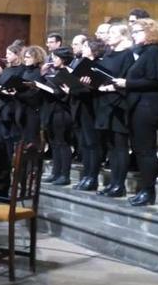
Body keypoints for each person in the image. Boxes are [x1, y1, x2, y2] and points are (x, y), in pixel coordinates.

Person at [107, 18, 158, 206]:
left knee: (146, 151)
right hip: (138, 106)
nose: (134, 35)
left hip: (147, 107)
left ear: (149, 32)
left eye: (137, 31)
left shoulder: (154, 52)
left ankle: (149, 192)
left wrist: (127, 83)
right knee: (140, 150)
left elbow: (156, 81)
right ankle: (145, 190)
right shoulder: (143, 53)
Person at [93, 24, 135, 197]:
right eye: (108, 33)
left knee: (120, 146)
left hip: (119, 104)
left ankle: (120, 185)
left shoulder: (128, 55)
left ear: (124, 36)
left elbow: (128, 79)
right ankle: (112, 183)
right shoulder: (109, 54)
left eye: (112, 33)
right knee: (110, 146)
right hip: (105, 103)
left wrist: (111, 88)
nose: (109, 36)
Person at [71, 37, 107, 191]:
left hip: (93, 107)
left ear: (93, 49)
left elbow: (98, 86)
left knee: (93, 144)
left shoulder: (98, 65)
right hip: (81, 106)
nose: (83, 48)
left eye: (86, 46)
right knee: (85, 143)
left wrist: (86, 84)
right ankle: (86, 175)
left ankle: (92, 177)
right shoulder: (82, 64)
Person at [41, 46, 74, 185]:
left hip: (62, 112)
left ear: (63, 59)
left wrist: (56, 91)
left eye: (55, 57)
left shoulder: (68, 73)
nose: (52, 60)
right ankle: (55, 172)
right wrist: (43, 77)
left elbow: (67, 93)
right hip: (52, 111)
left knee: (63, 143)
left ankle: (64, 175)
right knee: (54, 143)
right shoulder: (54, 72)